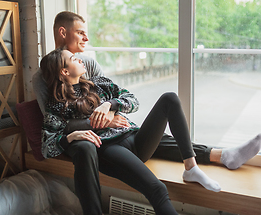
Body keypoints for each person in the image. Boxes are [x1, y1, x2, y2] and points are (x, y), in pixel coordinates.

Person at [32, 11, 261, 171]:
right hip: (90, 145)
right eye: (80, 32)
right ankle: (221, 156)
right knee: (148, 141)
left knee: (155, 135)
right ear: (63, 33)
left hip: (114, 132)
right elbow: (57, 124)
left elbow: (111, 95)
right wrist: (99, 122)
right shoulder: (41, 78)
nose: (87, 37)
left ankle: (222, 156)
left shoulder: (88, 64)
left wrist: (111, 109)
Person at [40, 47, 222, 214]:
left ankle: (191, 167)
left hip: (134, 136)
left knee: (170, 99)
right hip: (109, 148)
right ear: (64, 71)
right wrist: (71, 136)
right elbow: (47, 146)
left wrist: (110, 105)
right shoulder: (57, 105)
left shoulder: (98, 83)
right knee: (157, 189)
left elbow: (132, 100)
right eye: (73, 58)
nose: (79, 59)